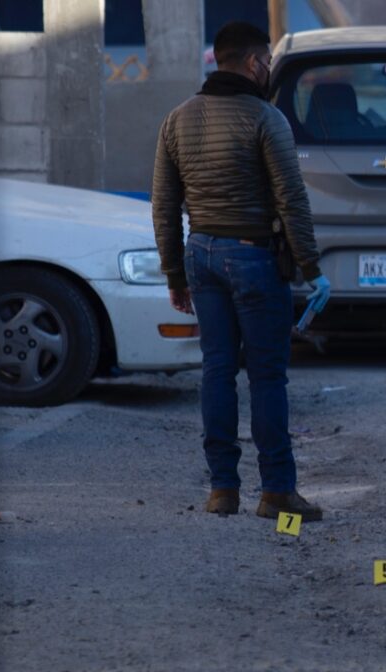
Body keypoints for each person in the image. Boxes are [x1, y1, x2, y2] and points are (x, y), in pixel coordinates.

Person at [152, 21, 329, 521]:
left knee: (216, 371)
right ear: (253, 63)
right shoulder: (266, 118)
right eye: (268, 61)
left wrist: (174, 275)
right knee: (267, 377)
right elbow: (291, 200)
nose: (270, 69)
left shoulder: (177, 119)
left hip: (201, 254)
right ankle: (276, 491)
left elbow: (164, 206)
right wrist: (311, 266)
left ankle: (222, 490)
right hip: (252, 256)